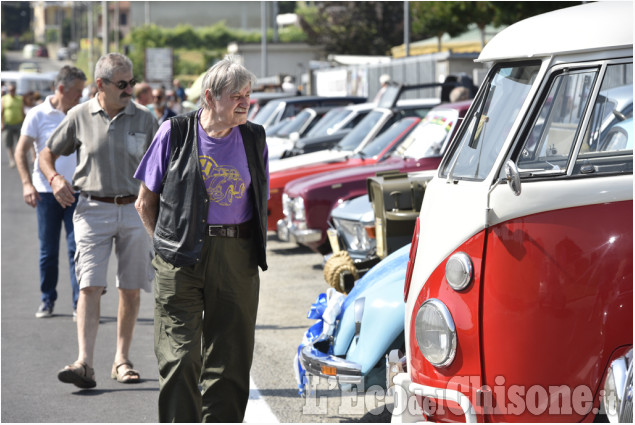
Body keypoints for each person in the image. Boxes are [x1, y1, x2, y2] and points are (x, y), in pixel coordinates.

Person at [134, 57, 269, 422]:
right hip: (179, 258)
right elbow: (144, 202)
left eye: (248, 95)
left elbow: (259, 200)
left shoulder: (254, 137)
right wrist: (164, 247)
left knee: (231, 360)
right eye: (235, 96)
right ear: (210, 97)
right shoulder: (174, 132)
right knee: (179, 359)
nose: (244, 103)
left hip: (237, 255)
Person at [39, 52, 159, 389]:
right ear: (101, 85)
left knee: (130, 288)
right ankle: (84, 363)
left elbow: (160, 168)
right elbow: (46, 153)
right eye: (123, 84)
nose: (130, 89)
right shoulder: (79, 115)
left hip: (135, 210)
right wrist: (54, 179)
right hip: (92, 210)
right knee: (90, 285)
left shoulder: (146, 119)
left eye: (132, 82)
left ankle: (122, 359)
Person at [14, 66, 86, 319]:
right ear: (61, 89)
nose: (81, 95)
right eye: (77, 91)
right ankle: (47, 299)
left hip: (76, 192)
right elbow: (20, 151)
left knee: (76, 248)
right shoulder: (37, 114)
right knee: (48, 250)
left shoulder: (81, 113)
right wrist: (26, 183)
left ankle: (80, 304)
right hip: (46, 192)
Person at [1, 83, 25, 167]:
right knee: (9, 143)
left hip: (19, 123)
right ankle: (11, 159)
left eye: (13, 90)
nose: (12, 92)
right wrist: (2, 124)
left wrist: (24, 122)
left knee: (20, 142)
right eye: (10, 90)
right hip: (8, 124)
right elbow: (1, 112)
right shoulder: (4, 99)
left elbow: (22, 111)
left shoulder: (19, 98)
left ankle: (19, 158)